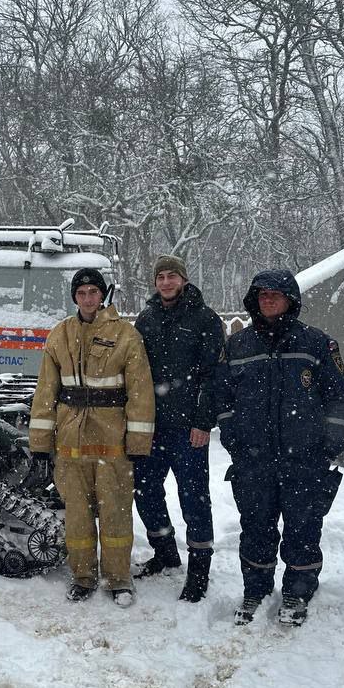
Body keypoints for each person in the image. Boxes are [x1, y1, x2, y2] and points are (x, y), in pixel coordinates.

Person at [217, 269, 344, 627]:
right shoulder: (238, 345)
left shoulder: (318, 343)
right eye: (262, 295)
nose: (268, 300)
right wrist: (234, 438)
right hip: (253, 459)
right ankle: (255, 589)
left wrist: (330, 443)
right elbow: (224, 397)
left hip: (305, 458)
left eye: (275, 294)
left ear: (290, 299)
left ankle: (298, 590)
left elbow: (338, 396)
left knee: (303, 528)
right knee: (256, 526)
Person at [29, 266, 155, 607]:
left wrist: (139, 442)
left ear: (103, 295)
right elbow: (45, 392)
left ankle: (118, 578)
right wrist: (40, 443)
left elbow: (141, 391)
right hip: (70, 441)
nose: (87, 298)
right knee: (77, 515)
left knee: (115, 512)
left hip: (112, 441)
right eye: (81, 293)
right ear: (75, 298)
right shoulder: (60, 334)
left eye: (93, 292)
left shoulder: (126, 335)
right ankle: (83, 576)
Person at [132, 254, 225, 602]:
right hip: (151, 428)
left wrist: (204, 422)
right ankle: (165, 552)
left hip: (189, 431)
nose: (167, 282)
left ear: (184, 280)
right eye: (161, 277)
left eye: (173, 276)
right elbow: (135, 373)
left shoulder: (205, 319)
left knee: (194, 499)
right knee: (145, 492)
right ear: (155, 283)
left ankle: (198, 570)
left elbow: (215, 378)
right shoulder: (146, 319)